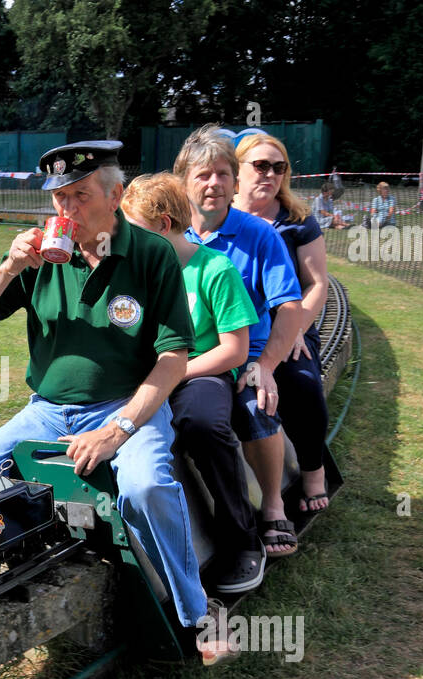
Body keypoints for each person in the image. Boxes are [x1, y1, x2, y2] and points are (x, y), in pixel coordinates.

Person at [0, 140, 227, 663]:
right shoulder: (37, 254)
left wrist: (117, 428)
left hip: (127, 403)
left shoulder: (150, 253)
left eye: (79, 195)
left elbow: (172, 360)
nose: (66, 210)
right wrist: (9, 267)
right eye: (58, 198)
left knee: (143, 487)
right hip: (48, 408)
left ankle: (197, 613)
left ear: (116, 195)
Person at [122, 172, 265, 594]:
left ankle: (243, 540)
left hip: (201, 373)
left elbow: (235, 350)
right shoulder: (139, 271)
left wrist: (175, 373)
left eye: (135, 233)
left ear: (164, 226)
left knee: (203, 424)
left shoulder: (214, 269)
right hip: (151, 374)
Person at [176, 125, 306, 559]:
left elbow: (289, 307)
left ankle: (272, 505)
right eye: (202, 175)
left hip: (244, 352)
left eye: (223, 175)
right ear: (183, 181)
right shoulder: (168, 235)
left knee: (255, 404)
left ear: (234, 182)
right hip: (186, 352)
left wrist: (266, 364)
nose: (213, 184)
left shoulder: (259, 235)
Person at [234, 133, 334, 517]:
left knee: (302, 382)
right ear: (238, 170)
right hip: (236, 327)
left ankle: (313, 467)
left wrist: (291, 332)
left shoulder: (297, 220)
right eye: (260, 165)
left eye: (279, 167)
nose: (270, 174)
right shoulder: (218, 214)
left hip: (287, 325)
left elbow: (317, 284)